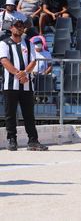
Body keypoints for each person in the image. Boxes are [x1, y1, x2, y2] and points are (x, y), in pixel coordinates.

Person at [0, 19, 48, 151]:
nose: (19, 28)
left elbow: (33, 61)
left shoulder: (28, 43)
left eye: (21, 26)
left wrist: (25, 73)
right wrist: (18, 74)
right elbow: (4, 61)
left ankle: (33, 141)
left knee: (29, 114)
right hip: (10, 85)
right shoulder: (4, 43)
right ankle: (12, 140)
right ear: (11, 28)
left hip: (27, 84)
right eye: (16, 26)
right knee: (10, 114)